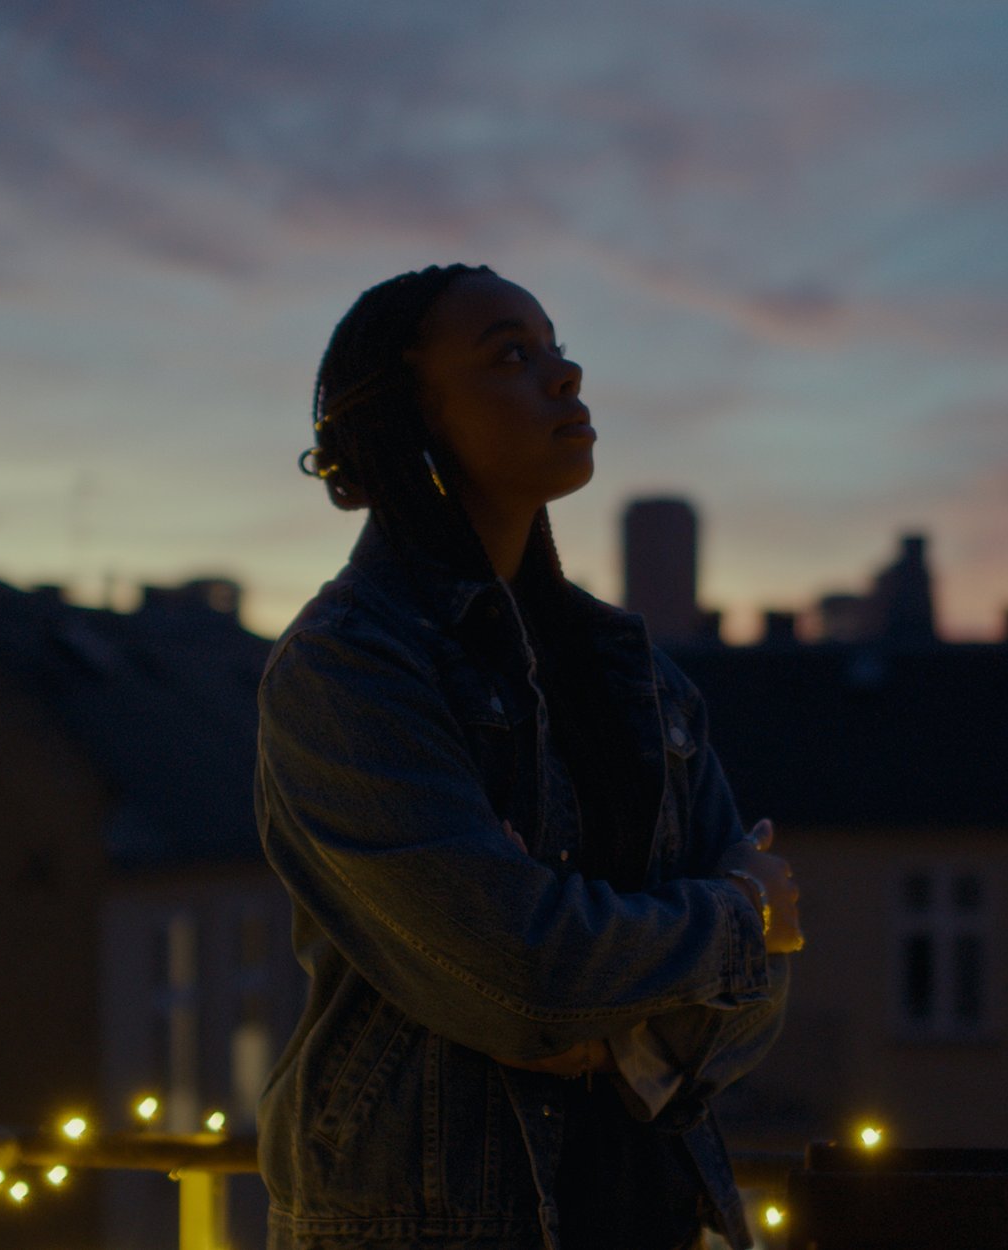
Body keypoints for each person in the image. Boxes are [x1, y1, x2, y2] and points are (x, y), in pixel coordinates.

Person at [256, 263, 804, 1250]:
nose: (564, 373)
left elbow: (756, 1003)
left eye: (555, 346)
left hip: (651, 1216)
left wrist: (615, 1030)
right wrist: (737, 916)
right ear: (409, 416)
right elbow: (525, 968)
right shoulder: (349, 666)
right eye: (512, 354)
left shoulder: (636, 674)